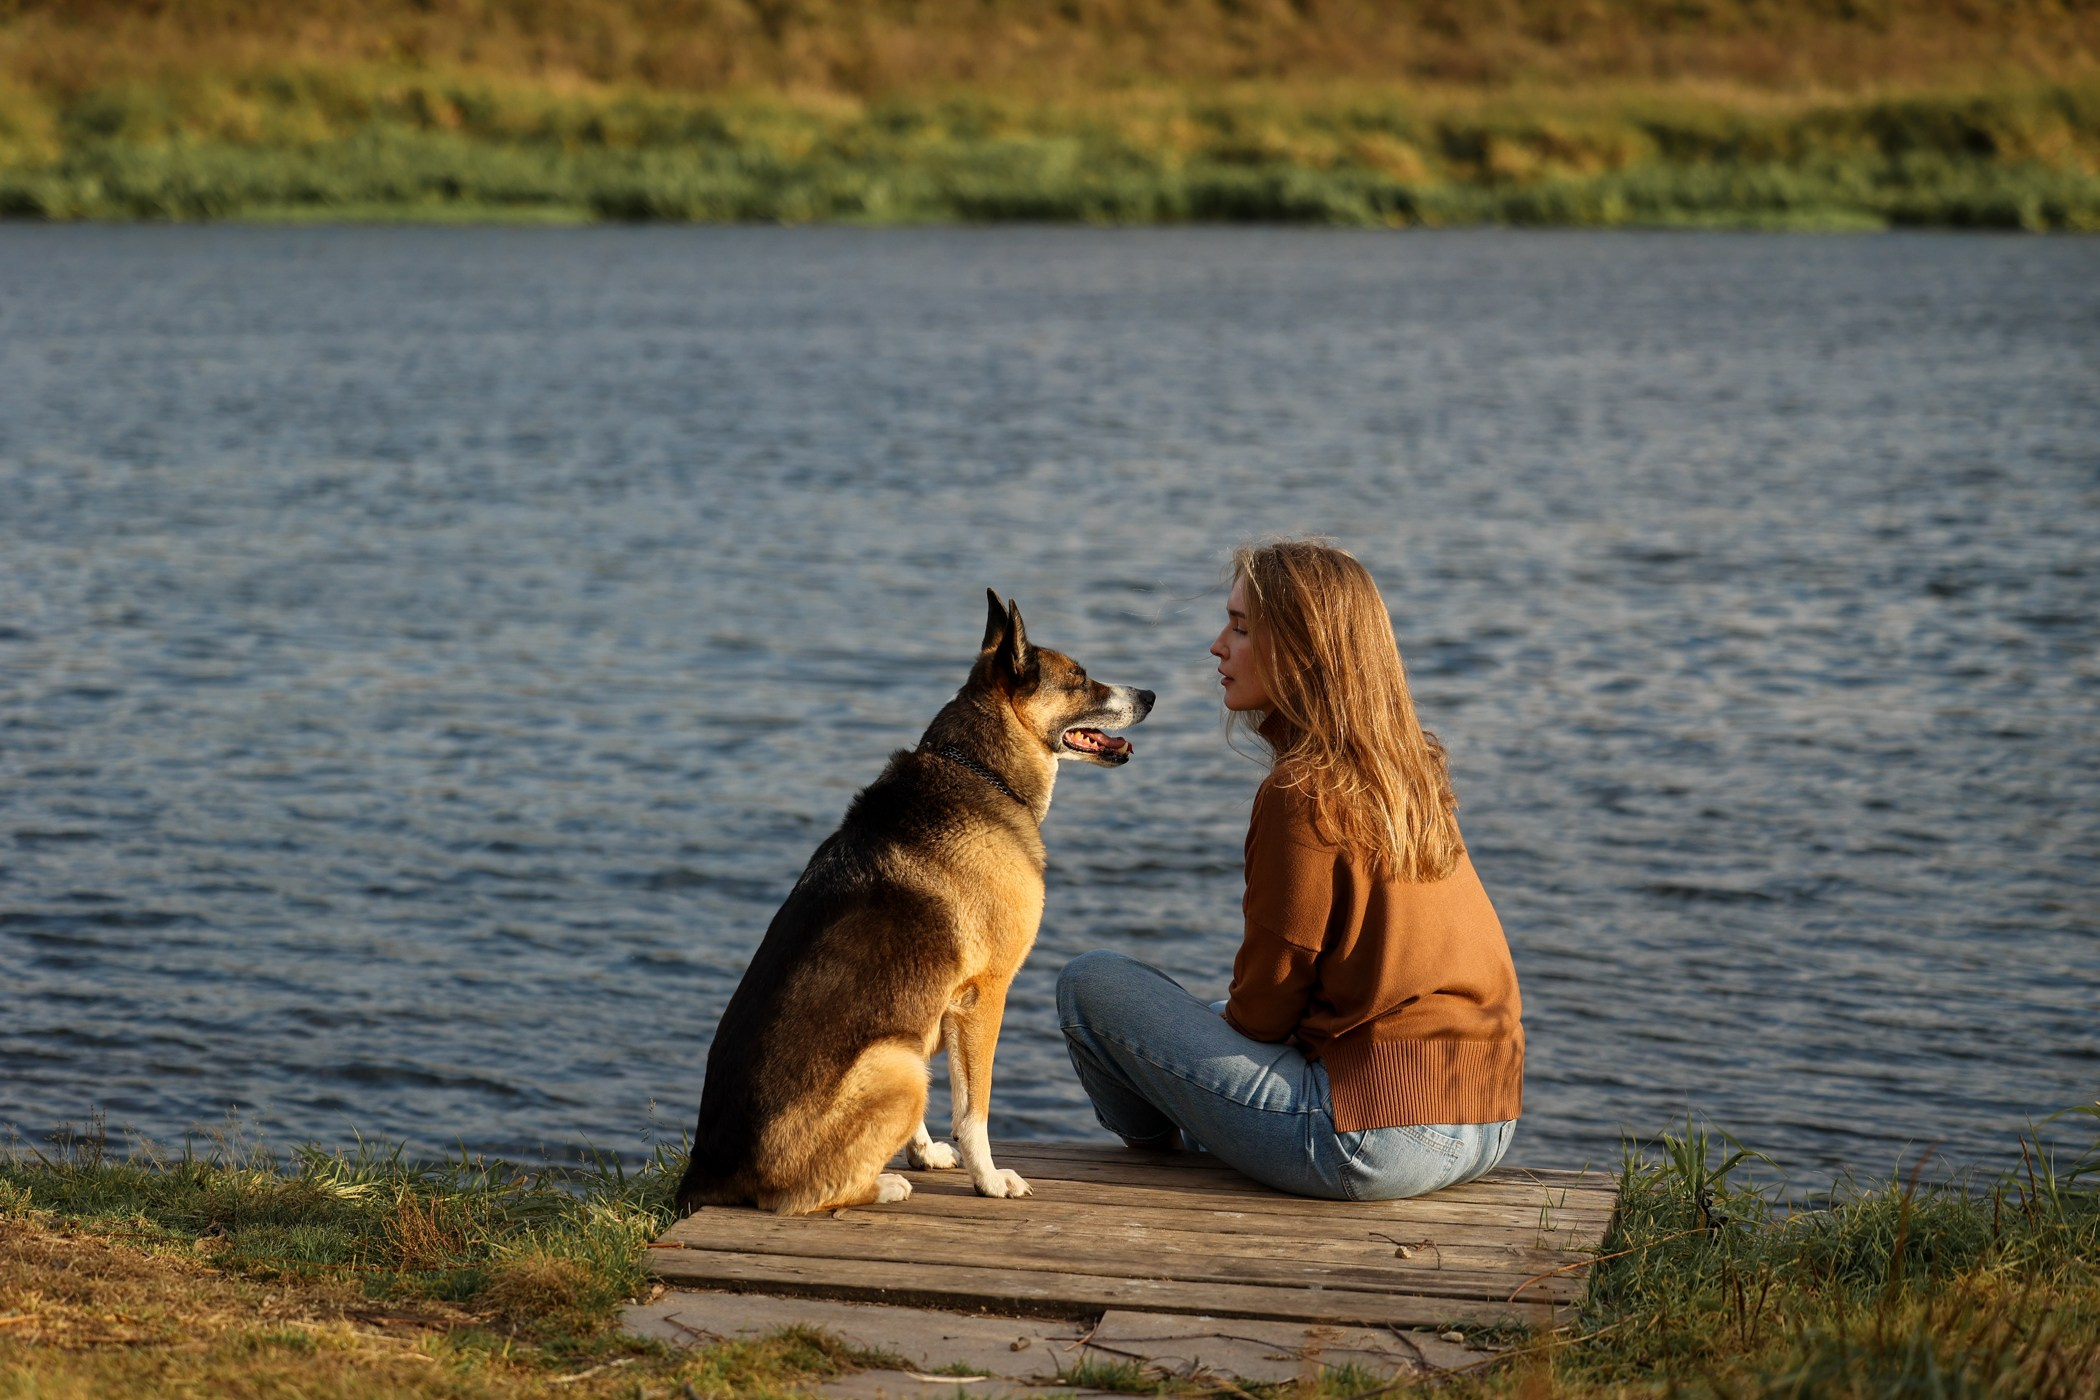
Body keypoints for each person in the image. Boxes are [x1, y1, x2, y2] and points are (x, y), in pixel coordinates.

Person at [1056, 539, 1522, 1201]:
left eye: (1241, 628)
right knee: (1200, 1016)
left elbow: (1264, 1013)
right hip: (1488, 1119)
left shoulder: (1302, 790)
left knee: (1089, 985)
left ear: (1302, 650)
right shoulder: (1407, 771)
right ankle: (1210, 1125)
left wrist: (1187, 1059)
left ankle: (1171, 1153)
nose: (1218, 645)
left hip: (1373, 1139)